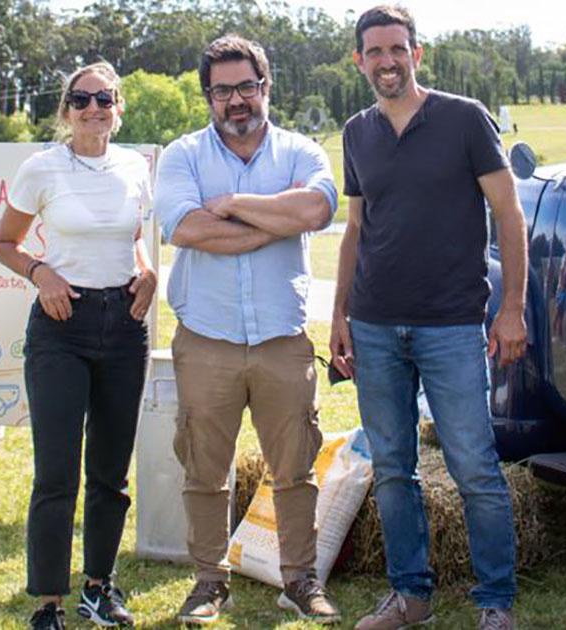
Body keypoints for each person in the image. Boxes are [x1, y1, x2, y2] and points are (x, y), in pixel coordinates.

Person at [329, 6, 528, 630]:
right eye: (374, 52)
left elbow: (510, 214)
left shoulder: (465, 119)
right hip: (375, 326)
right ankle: (409, 597)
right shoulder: (356, 132)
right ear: (359, 60)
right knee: (392, 468)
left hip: (450, 325)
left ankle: (496, 602)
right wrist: (339, 315)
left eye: (397, 49)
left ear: (417, 54)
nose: (386, 61)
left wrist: (513, 309)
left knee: (474, 465)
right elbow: (355, 229)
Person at [154, 34, 342, 626]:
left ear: (265, 87)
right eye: (222, 90)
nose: (235, 100)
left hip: (282, 340)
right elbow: (184, 228)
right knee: (205, 468)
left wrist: (232, 203)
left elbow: (315, 211)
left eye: (245, 87)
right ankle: (210, 582)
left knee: (295, 467)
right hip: (205, 338)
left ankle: (300, 580)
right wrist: (272, 222)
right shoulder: (183, 155)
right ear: (208, 96)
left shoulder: (300, 151)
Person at [0, 61, 156, 630]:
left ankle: (98, 588)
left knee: (111, 471)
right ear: (66, 110)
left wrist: (147, 271)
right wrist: (40, 274)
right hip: (61, 326)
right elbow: (5, 243)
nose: (93, 109)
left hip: (124, 324)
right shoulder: (41, 168)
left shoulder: (136, 166)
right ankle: (48, 603)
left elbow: (134, 238)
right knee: (57, 471)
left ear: (118, 107)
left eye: (104, 99)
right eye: (81, 100)